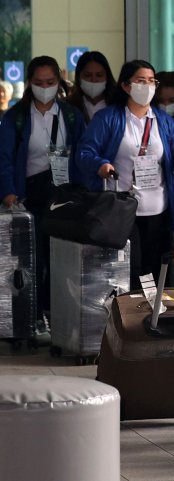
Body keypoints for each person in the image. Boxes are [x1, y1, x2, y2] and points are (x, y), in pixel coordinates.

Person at [78, 59, 174, 291]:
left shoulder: (164, 122)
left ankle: (154, 314)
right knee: (133, 267)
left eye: (151, 81)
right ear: (126, 86)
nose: (147, 86)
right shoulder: (109, 118)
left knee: (157, 267)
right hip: (124, 209)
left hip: (159, 209)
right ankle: (133, 315)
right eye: (140, 81)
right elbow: (84, 152)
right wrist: (101, 164)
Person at [0, 56, 85, 322]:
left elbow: (83, 153)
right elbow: (4, 158)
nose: (44, 87)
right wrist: (9, 191)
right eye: (38, 82)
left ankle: (59, 316)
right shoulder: (17, 117)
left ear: (58, 82)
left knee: (61, 258)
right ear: (29, 83)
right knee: (32, 258)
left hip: (63, 192)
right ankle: (32, 317)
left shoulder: (70, 114)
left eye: (50, 82)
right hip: (30, 195)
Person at [65, 51, 116, 123]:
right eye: (87, 75)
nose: (94, 80)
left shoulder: (118, 104)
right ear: (79, 77)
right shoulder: (68, 106)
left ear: (107, 77)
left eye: (99, 75)